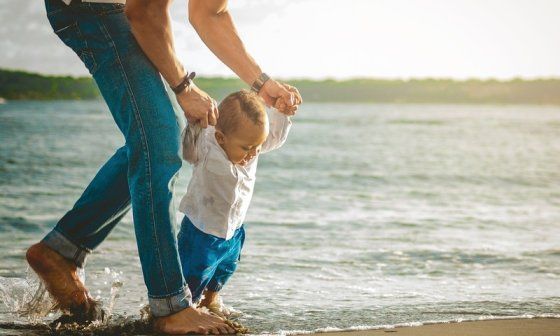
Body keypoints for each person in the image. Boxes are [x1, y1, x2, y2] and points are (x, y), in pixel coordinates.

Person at [26, 0, 302, 334]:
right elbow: (143, 12)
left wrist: (262, 85)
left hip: (113, 9)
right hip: (92, 8)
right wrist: (184, 87)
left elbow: (210, 12)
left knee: (153, 144)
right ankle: (170, 306)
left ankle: (60, 250)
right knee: (159, 143)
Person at [173, 90, 293, 319]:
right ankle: (187, 311)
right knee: (192, 280)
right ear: (221, 138)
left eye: (258, 146)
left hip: (234, 231)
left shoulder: (251, 142)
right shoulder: (207, 145)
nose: (254, 153)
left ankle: (210, 302)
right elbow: (186, 151)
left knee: (225, 270)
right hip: (200, 232)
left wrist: (282, 111)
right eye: (247, 148)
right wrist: (195, 125)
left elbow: (274, 136)